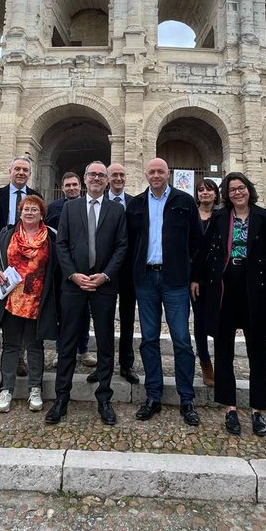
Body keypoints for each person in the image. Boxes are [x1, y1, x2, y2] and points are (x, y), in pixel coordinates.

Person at [191, 172, 266, 437]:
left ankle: (257, 409)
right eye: (232, 190)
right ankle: (229, 407)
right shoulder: (220, 217)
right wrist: (196, 276)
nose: (237, 193)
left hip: (256, 290)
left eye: (240, 188)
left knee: (257, 351)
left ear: (248, 190)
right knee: (224, 349)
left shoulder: (264, 217)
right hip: (224, 289)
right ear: (226, 195)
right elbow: (204, 249)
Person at [47, 161, 129, 426]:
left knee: (105, 342)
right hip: (74, 285)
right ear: (84, 179)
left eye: (101, 175)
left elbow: (121, 246)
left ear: (107, 181)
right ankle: (61, 397)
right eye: (92, 174)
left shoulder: (116, 210)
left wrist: (104, 276)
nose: (96, 178)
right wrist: (73, 274)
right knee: (68, 342)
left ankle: (104, 397)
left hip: (103, 285)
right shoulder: (70, 208)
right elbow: (62, 245)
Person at [127, 157, 204, 426]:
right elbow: (129, 243)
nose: (156, 175)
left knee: (181, 339)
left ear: (168, 174)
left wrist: (194, 276)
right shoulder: (135, 204)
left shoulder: (184, 201)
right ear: (146, 174)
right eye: (152, 171)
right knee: (148, 339)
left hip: (176, 280)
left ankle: (186, 398)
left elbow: (198, 242)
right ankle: (153, 396)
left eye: (161, 171)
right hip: (146, 279)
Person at [0, 195, 59, 413]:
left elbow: (58, 267)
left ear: (42, 214)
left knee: (35, 346)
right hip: (10, 299)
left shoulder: (51, 237)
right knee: (11, 345)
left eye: (34, 209)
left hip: (38, 300)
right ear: (20, 212)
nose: (29, 212)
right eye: (26, 209)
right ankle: (6, 388)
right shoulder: (7, 235)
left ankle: (35, 388)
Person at [0, 157, 41, 377]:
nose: (21, 172)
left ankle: (20, 358)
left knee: (22, 312)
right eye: (17, 169)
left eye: (25, 170)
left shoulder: (35, 197)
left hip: (25, 266)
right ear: (10, 171)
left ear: (29, 173)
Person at [45, 171, 95, 370]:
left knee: (85, 312)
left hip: (84, 267)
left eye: (75, 185)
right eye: (68, 185)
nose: (72, 188)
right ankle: (62, 351)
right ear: (62, 188)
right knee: (61, 312)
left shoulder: (88, 205)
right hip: (60, 268)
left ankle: (82, 350)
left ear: (80, 186)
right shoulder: (53, 208)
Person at [105, 162, 140, 385]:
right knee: (104, 318)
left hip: (129, 270)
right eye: (114, 175)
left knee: (127, 319)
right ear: (108, 178)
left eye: (121, 175)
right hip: (105, 269)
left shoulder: (135, 203)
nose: (118, 178)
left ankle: (126, 363)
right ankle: (104, 364)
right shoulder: (100, 202)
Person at [193, 178, 221, 386]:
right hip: (195, 277)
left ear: (216, 194)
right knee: (200, 321)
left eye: (209, 190)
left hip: (217, 276)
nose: (205, 193)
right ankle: (205, 362)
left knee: (219, 320)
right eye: (201, 190)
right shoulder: (191, 215)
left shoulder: (222, 216)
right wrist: (192, 277)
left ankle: (222, 362)